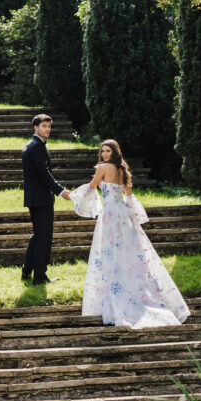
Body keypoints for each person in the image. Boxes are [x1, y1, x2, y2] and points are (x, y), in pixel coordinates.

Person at [70, 139, 190, 328]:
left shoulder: (102, 167)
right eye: (103, 151)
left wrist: (73, 196)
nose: (104, 154)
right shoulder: (122, 170)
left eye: (108, 151)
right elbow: (129, 195)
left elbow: (92, 187)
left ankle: (116, 298)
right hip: (123, 214)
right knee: (128, 254)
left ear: (114, 152)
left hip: (110, 215)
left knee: (110, 253)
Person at [21, 113, 71, 285]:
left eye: (49, 126)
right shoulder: (36, 147)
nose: (48, 129)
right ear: (36, 128)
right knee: (44, 238)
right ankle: (40, 276)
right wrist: (61, 191)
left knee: (38, 236)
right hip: (41, 199)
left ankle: (27, 270)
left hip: (35, 198)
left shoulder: (32, 145)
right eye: (44, 126)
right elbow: (44, 174)